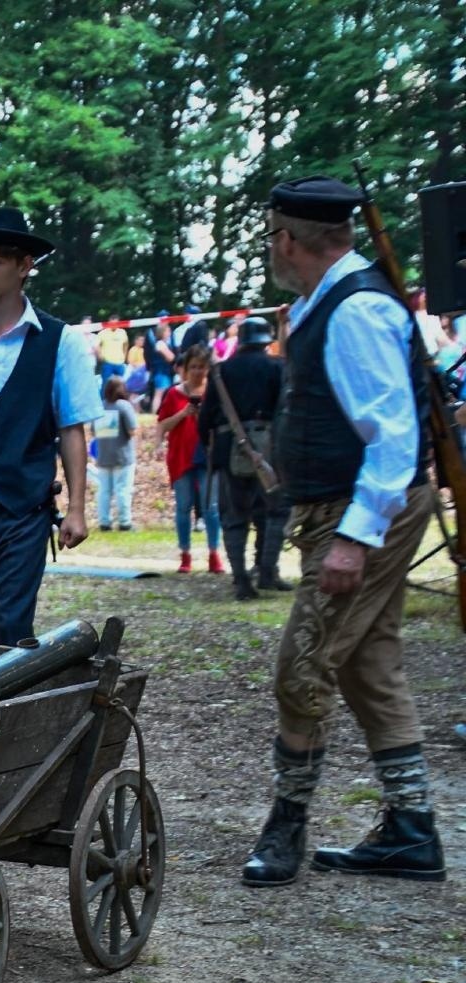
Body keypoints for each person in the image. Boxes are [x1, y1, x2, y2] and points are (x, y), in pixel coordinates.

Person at [241, 175, 444, 888]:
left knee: (301, 671)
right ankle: (413, 828)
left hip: (360, 515)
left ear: (288, 240)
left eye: (272, 236)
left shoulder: (354, 310)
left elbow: (392, 438)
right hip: (343, 512)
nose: (272, 248)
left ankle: (285, 830)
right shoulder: (330, 301)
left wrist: (355, 538)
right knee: (369, 664)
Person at [0, 206, 99, 645]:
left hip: (24, 510)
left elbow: (71, 428)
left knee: (11, 629)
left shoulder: (60, 341)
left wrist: (76, 507)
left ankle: (8, 714)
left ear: (24, 266)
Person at [196, 316, 292, 599]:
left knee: (234, 517)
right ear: (265, 341)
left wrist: (212, 450)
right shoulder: (278, 367)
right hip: (270, 450)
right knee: (276, 512)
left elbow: (205, 421)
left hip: (230, 452)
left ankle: (241, 581)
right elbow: (286, 411)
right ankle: (266, 571)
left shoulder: (220, 372)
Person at [156, 346, 223, 574]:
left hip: (208, 456)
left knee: (211, 507)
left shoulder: (215, 392)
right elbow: (162, 425)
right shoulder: (173, 394)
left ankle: (214, 554)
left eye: (201, 367)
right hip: (181, 456)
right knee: (183, 506)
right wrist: (182, 414)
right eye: (193, 367)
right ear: (185, 369)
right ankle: (185, 554)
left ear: (208, 368)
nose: (197, 372)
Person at [92, 376, 138, 531]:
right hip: (123, 456)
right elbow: (132, 430)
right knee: (123, 490)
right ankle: (125, 522)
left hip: (104, 456)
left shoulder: (99, 407)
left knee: (104, 491)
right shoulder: (124, 407)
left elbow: (93, 431)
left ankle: (104, 522)